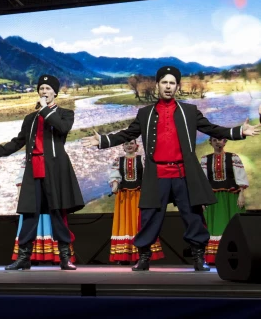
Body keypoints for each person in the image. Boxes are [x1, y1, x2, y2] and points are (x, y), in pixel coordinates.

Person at [82, 66, 260, 272]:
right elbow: (126, 134)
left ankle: (197, 257)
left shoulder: (189, 112)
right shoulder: (145, 113)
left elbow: (212, 129)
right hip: (157, 174)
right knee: (149, 216)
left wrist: (239, 131)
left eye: (172, 83)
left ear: (177, 86)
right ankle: (144, 257)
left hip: (183, 173)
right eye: (164, 82)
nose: (168, 86)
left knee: (193, 216)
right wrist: (102, 140)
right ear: (157, 85)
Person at [0, 74, 84, 271]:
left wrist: (45, 109)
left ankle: (64, 258)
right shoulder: (30, 119)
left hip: (55, 170)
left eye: (47, 88)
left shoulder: (65, 113)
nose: (43, 91)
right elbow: (18, 142)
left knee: (57, 212)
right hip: (34, 169)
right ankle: (24, 258)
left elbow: (62, 129)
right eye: (41, 88)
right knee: (29, 214)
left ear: (55, 92)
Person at [9, 160, 76, 266]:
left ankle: (63, 258)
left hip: (52, 190)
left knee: (56, 219)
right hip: (33, 190)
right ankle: (25, 258)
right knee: (30, 219)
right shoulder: (32, 154)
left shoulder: (54, 151)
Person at [108, 139, 164, 264]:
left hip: (139, 195)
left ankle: (142, 254)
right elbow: (115, 175)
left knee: (139, 221)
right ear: (123, 146)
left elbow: (148, 176)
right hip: (124, 197)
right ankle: (124, 255)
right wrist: (115, 184)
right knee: (125, 222)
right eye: (126, 144)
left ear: (136, 146)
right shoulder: (118, 161)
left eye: (131, 143)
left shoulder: (142, 160)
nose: (129, 145)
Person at [201, 137, 249, 264]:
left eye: (221, 140)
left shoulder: (233, 157)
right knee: (215, 224)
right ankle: (213, 258)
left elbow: (240, 176)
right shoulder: (205, 159)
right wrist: (203, 200)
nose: (218, 142)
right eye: (215, 140)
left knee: (233, 224)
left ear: (225, 142)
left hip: (231, 196)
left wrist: (241, 194)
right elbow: (203, 181)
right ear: (210, 142)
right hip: (213, 198)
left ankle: (236, 256)